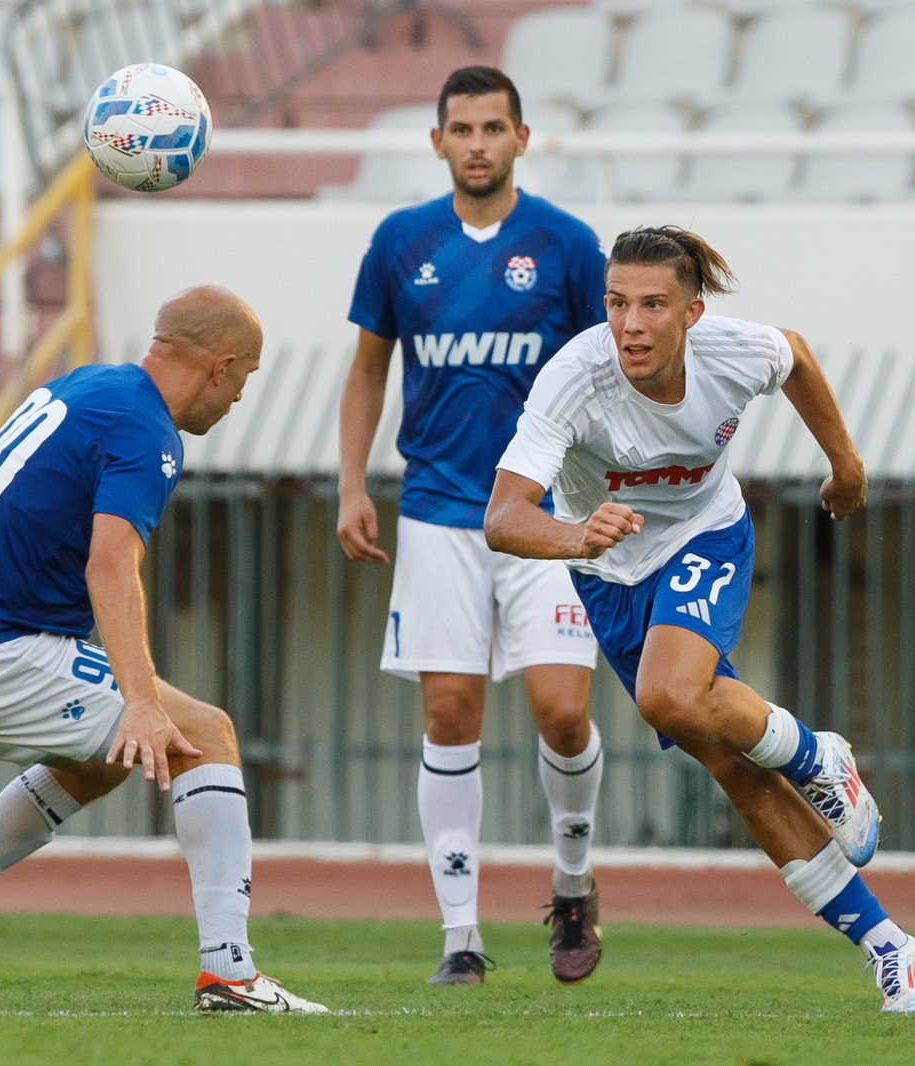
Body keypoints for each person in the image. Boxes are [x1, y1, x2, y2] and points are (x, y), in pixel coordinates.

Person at [484, 225, 915, 1013]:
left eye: (653, 305)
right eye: (618, 303)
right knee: (732, 765)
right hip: (608, 569)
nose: (631, 324)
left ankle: (817, 756)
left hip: (706, 536)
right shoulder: (573, 378)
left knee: (668, 698)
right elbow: (502, 517)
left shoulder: (733, 351)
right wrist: (575, 535)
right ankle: (892, 947)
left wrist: (847, 465)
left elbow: (793, 356)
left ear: (693, 313)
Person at [0, 287, 327, 1015]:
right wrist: (141, 703)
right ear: (220, 365)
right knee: (204, 735)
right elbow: (110, 565)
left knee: (102, 765)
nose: (239, 397)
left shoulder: (88, 384)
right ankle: (230, 974)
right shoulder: (147, 430)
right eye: (245, 378)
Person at [338, 66, 608, 986]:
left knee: (562, 711)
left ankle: (573, 886)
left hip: (545, 515)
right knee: (451, 713)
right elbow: (369, 369)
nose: (479, 143)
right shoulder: (399, 242)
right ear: (440, 142)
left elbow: (608, 375)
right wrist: (351, 485)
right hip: (438, 513)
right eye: (463, 128)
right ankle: (461, 935)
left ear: (523, 138)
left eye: (495, 127)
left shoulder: (570, 247)